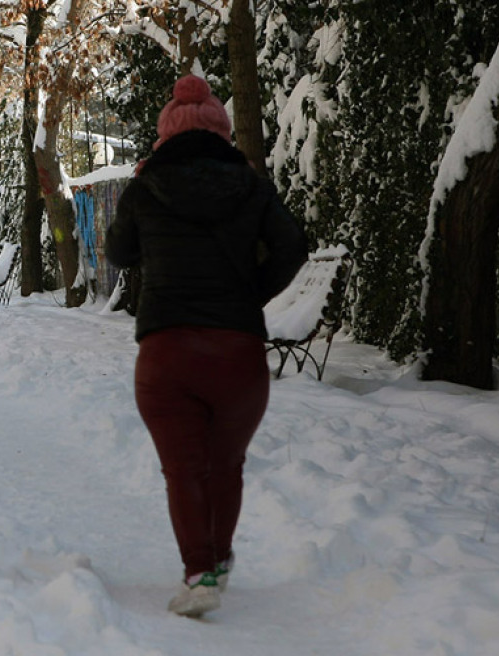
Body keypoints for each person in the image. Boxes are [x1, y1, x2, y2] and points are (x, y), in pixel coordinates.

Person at [105, 75, 307, 618]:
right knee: (226, 463)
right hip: (238, 353)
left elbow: (117, 253)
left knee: (184, 467)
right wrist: (249, 295)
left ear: (164, 136)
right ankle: (215, 559)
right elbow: (293, 246)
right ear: (221, 131)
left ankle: (199, 572)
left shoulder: (146, 187)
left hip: (166, 351)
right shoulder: (251, 185)